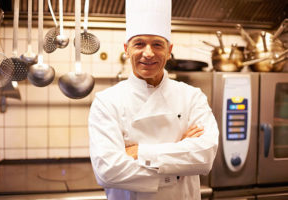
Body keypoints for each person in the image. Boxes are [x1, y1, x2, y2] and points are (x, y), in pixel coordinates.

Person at [88, 0, 219, 199]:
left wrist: (139, 152)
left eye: (157, 44)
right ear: (127, 48)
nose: (148, 53)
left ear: (168, 50)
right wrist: (177, 168)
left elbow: (205, 157)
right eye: (139, 43)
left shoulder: (192, 97)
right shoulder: (106, 102)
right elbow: (108, 171)